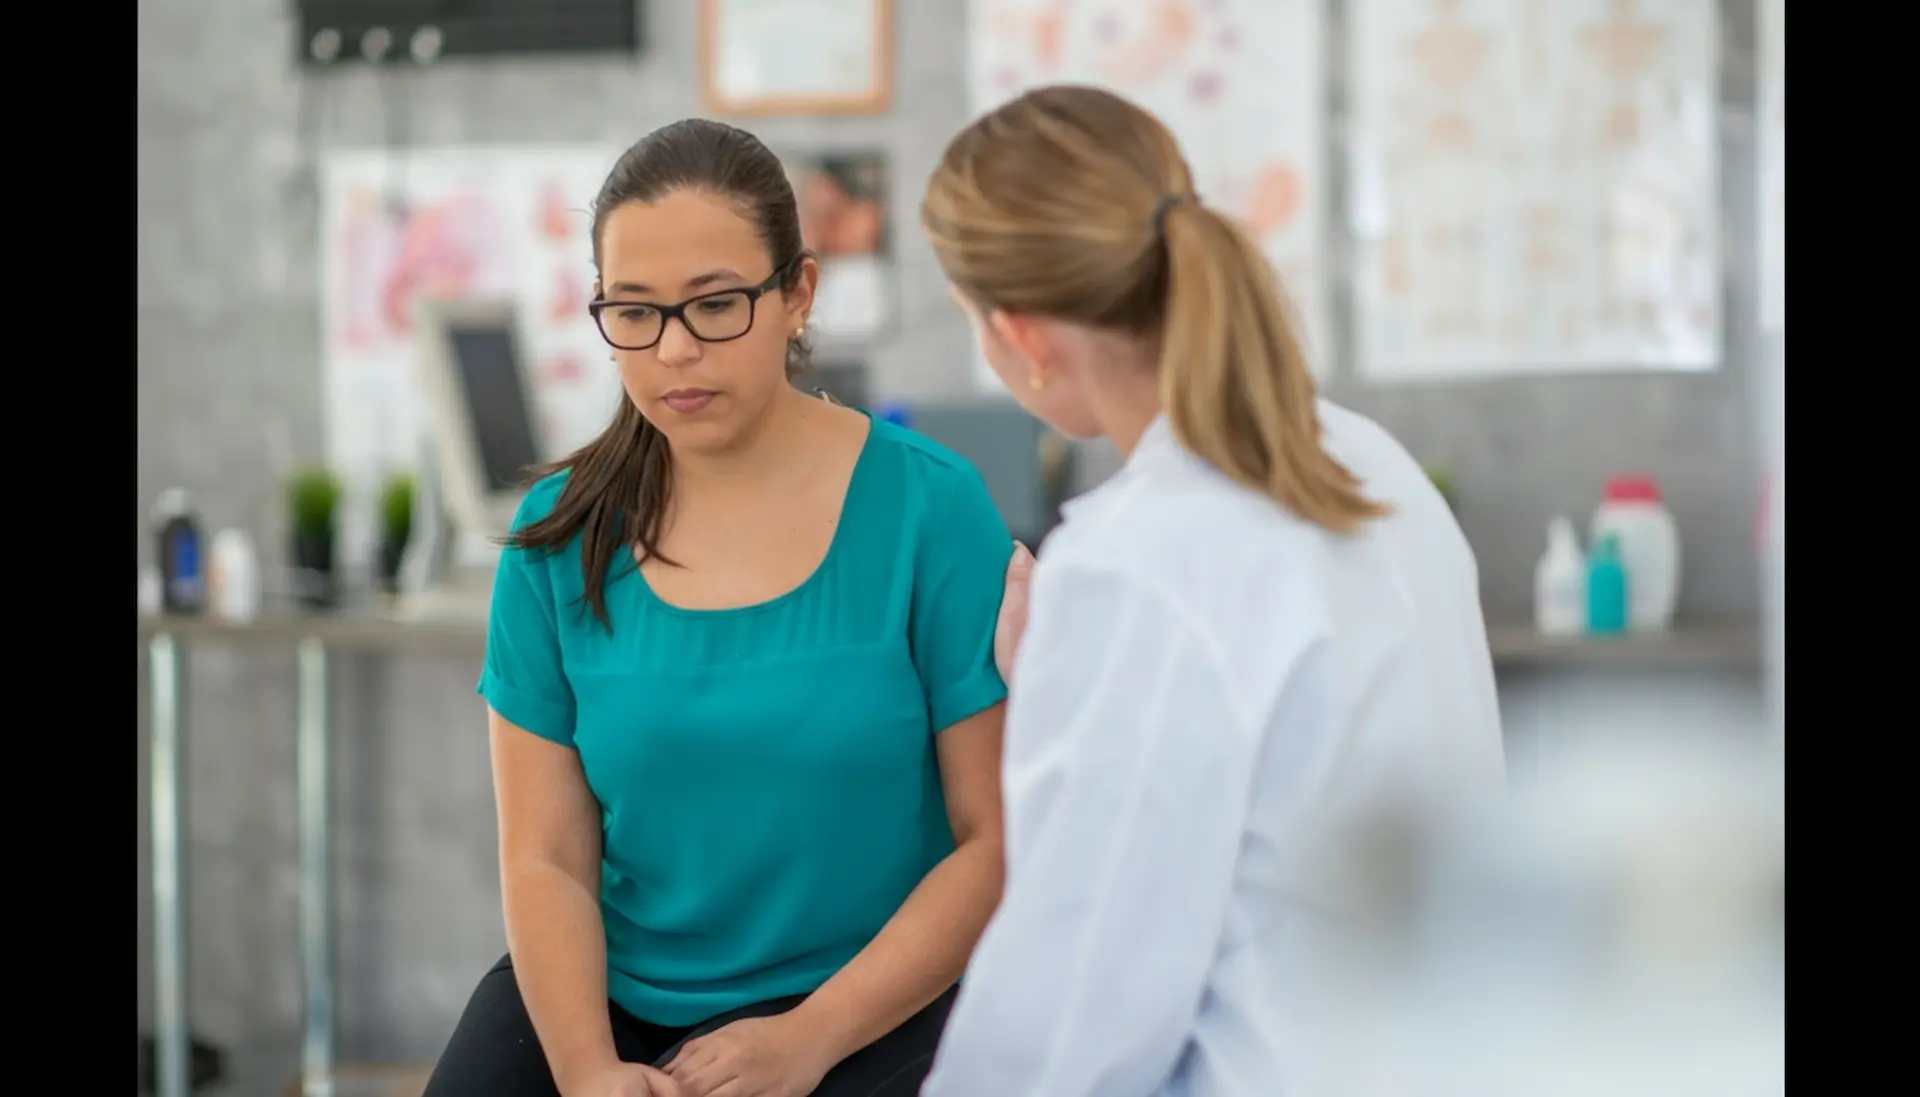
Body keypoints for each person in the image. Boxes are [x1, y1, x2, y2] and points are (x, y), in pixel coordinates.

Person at [917, 85, 1507, 1096]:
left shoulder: (1133, 565)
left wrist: (1064, 675)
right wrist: (1061, 671)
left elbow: (1070, 1024)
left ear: (1023, 334)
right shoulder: (1370, 464)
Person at [421, 119, 1012, 1097]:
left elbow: (990, 840)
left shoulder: (931, 509)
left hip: (870, 996)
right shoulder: (557, 537)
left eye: (717, 305)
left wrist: (807, 1037)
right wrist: (585, 1069)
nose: (676, 351)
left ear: (797, 295)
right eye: (635, 313)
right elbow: (548, 857)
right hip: (612, 994)